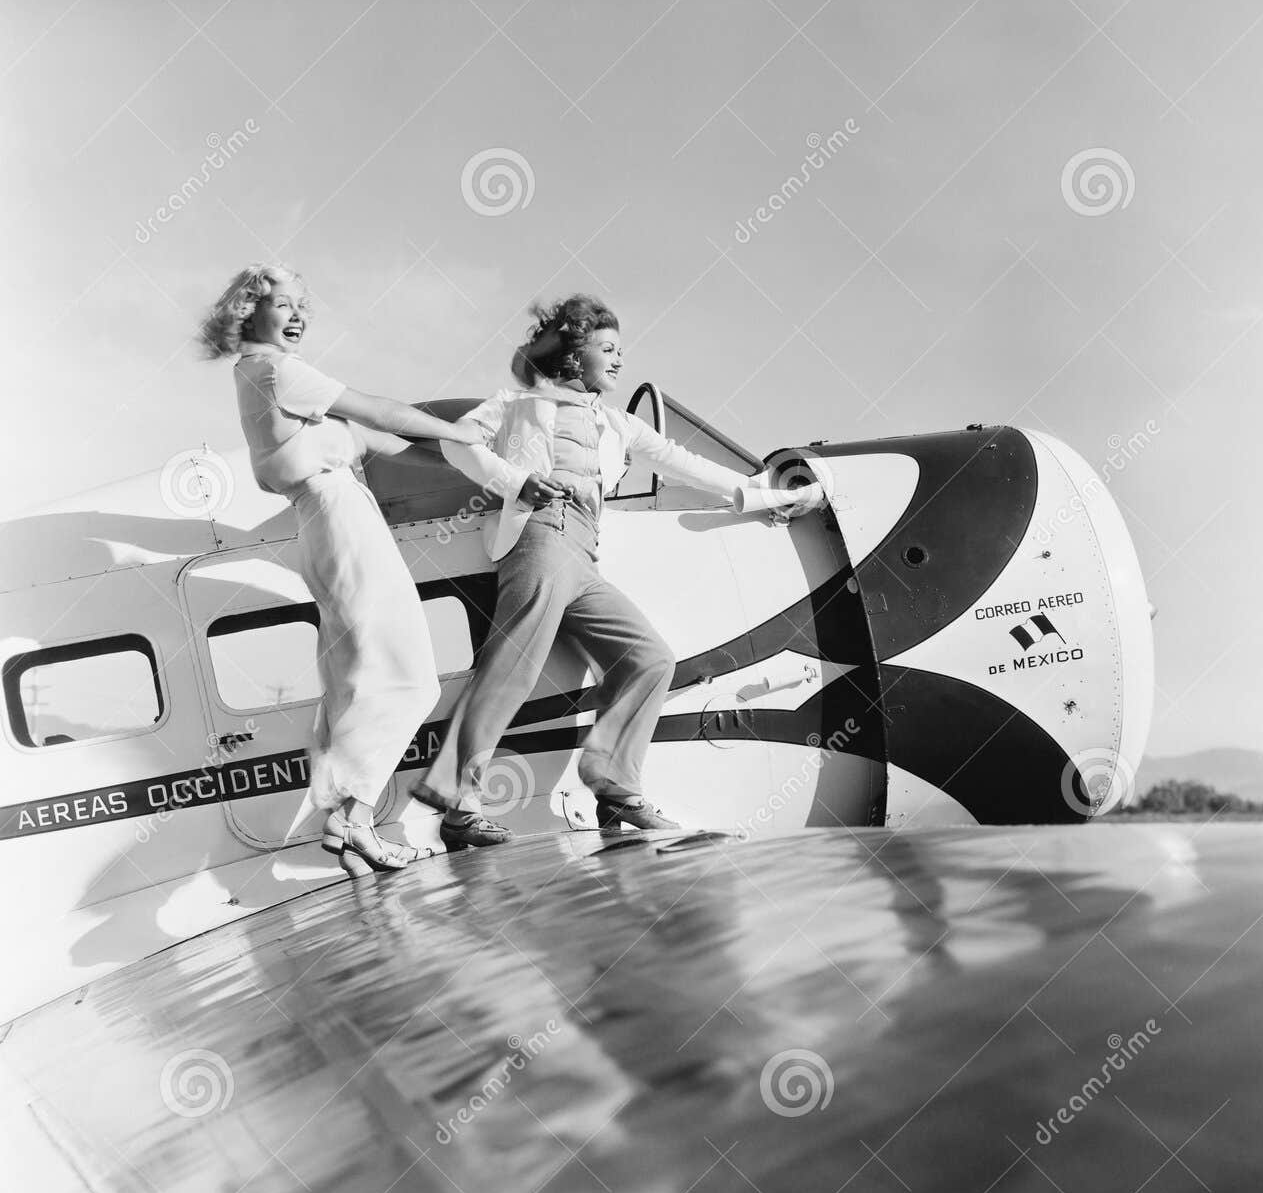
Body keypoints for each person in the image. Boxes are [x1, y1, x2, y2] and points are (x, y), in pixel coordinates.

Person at [411, 294, 819, 847]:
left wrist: (760, 494)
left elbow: (681, 461)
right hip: (542, 535)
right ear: (573, 356)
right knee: (512, 668)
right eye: (607, 348)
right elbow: (452, 441)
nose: (620, 359)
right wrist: (515, 481)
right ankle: (459, 804)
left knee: (649, 660)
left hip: (583, 553)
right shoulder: (515, 403)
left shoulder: (617, 424)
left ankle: (615, 784)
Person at [198, 263, 480, 877]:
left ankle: (354, 828)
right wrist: (462, 433)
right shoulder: (278, 371)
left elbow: (394, 443)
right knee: (407, 677)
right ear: (250, 311)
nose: (299, 315)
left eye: (304, 305)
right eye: (284, 304)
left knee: (355, 680)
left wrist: (485, 456)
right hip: (343, 522)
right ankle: (349, 820)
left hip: (330, 525)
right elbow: (380, 412)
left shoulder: (272, 385)